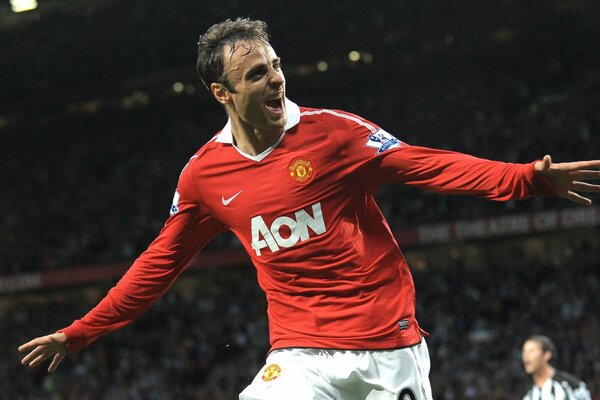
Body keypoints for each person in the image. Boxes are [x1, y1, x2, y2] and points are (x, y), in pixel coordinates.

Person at [19, 18, 600, 400]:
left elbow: (429, 165)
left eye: (274, 65)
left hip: (387, 345)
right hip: (300, 355)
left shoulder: (336, 136)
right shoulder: (203, 177)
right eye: (256, 74)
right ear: (222, 93)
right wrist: (80, 333)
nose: (276, 80)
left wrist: (525, 179)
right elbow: (157, 266)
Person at [522, 335, 591, 400]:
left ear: (546, 355)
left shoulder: (569, 385)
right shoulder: (528, 393)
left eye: (531, 351)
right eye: (524, 351)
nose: (526, 355)